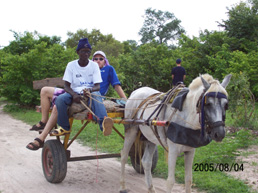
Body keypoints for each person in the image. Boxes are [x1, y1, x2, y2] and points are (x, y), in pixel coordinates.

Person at [26, 39, 126, 150]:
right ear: (78, 52)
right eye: (83, 51)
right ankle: (64, 127)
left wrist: (89, 90)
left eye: (88, 52)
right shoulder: (71, 65)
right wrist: (74, 95)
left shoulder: (94, 66)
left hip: (90, 93)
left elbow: (97, 86)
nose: (86, 54)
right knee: (60, 100)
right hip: (73, 92)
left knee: (97, 95)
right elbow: (66, 86)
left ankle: (104, 125)